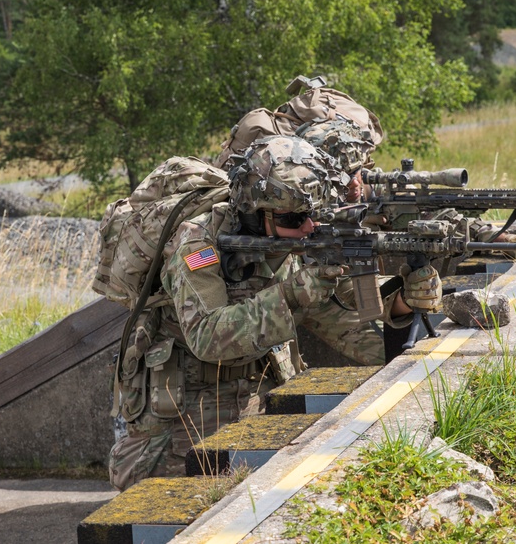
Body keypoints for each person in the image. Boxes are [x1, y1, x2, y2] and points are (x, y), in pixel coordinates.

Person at [108, 136, 439, 490]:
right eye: (295, 218)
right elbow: (206, 335)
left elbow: (341, 316)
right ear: (255, 212)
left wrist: (403, 300)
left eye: (314, 214)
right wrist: (292, 294)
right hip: (182, 418)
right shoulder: (197, 243)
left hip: (254, 403)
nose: (308, 227)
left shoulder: (292, 239)